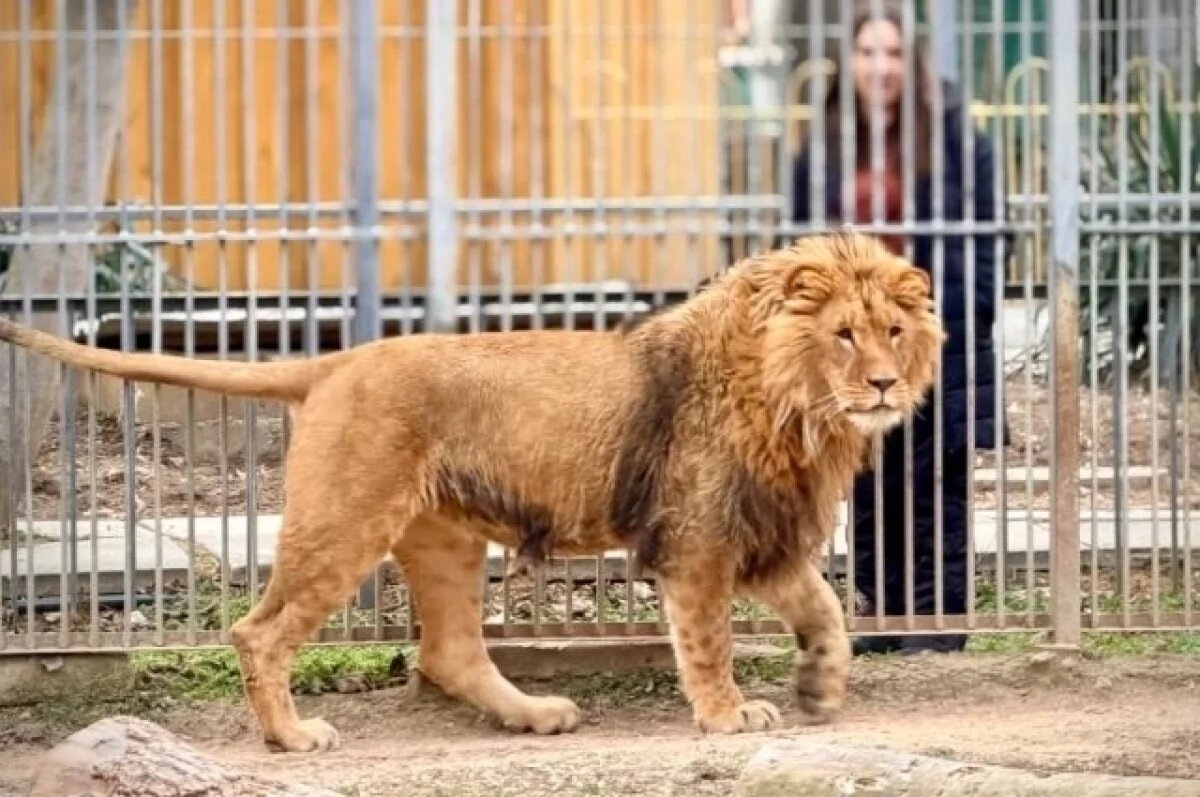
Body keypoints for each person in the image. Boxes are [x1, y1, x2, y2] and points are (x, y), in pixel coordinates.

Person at [790, 1, 1010, 655]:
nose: (879, 67)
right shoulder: (828, 141)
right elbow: (801, 246)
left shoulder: (953, 137)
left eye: (891, 53)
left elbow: (988, 237)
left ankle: (936, 623)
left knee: (935, 481)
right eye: (867, 54)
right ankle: (882, 616)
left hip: (926, 337)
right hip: (851, 349)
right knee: (864, 481)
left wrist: (957, 314)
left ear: (909, 63)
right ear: (848, 64)